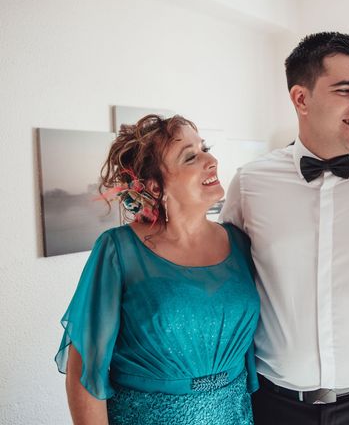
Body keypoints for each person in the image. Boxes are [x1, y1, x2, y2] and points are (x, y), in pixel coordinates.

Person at [220, 31, 349, 425]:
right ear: (301, 98)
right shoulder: (249, 183)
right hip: (275, 403)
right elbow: (230, 279)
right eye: (346, 89)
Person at [55, 114, 260, 425]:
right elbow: (84, 367)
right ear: (155, 185)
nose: (212, 160)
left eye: (205, 147)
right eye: (191, 156)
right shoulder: (118, 251)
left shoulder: (240, 243)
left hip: (234, 415)